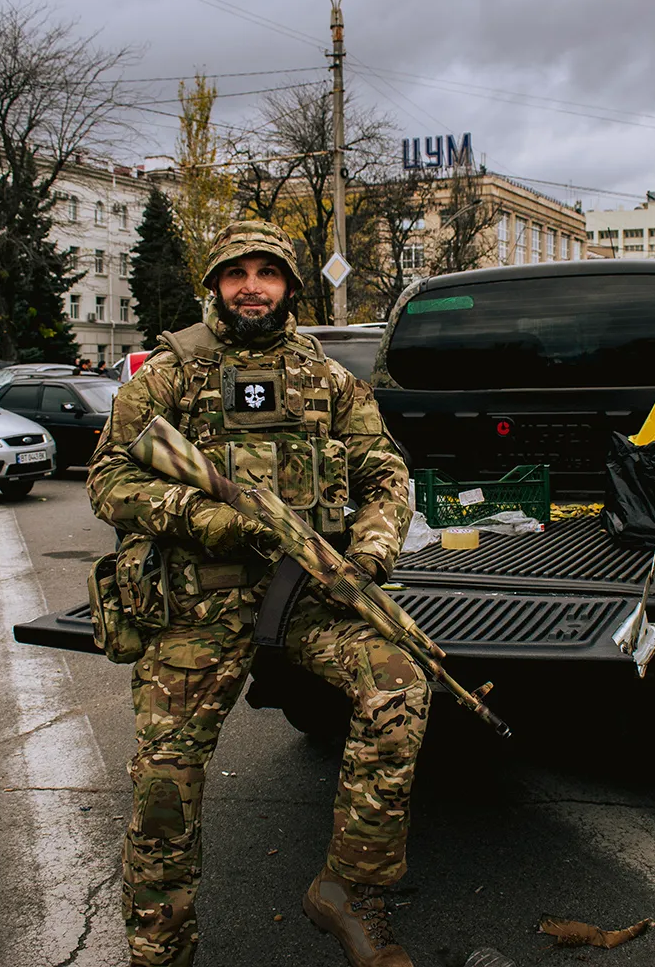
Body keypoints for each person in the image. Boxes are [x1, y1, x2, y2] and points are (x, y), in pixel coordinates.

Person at [86, 219, 424, 967]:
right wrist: (203, 516)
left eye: (266, 272)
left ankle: (351, 888)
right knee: (164, 789)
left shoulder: (328, 378)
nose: (250, 286)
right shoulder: (172, 373)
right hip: (195, 606)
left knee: (400, 684)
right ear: (215, 286)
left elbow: (386, 475)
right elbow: (108, 478)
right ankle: (160, 950)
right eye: (235, 272)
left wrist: (370, 549)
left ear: (289, 287)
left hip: (302, 595)